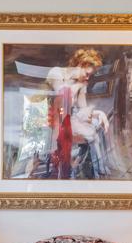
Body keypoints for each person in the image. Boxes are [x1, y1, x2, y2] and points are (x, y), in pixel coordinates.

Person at [42, 48, 102, 180]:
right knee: (80, 131)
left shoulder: (82, 83)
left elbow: (83, 109)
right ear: (80, 65)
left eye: (89, 76)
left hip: (68, 119)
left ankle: (79, 168)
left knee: (95, 127)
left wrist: (99, 113)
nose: (88, 78)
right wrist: (79, 85)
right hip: (52, 119)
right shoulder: (56, 73)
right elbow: (63, 99)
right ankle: (66, 169)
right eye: (86, 73)